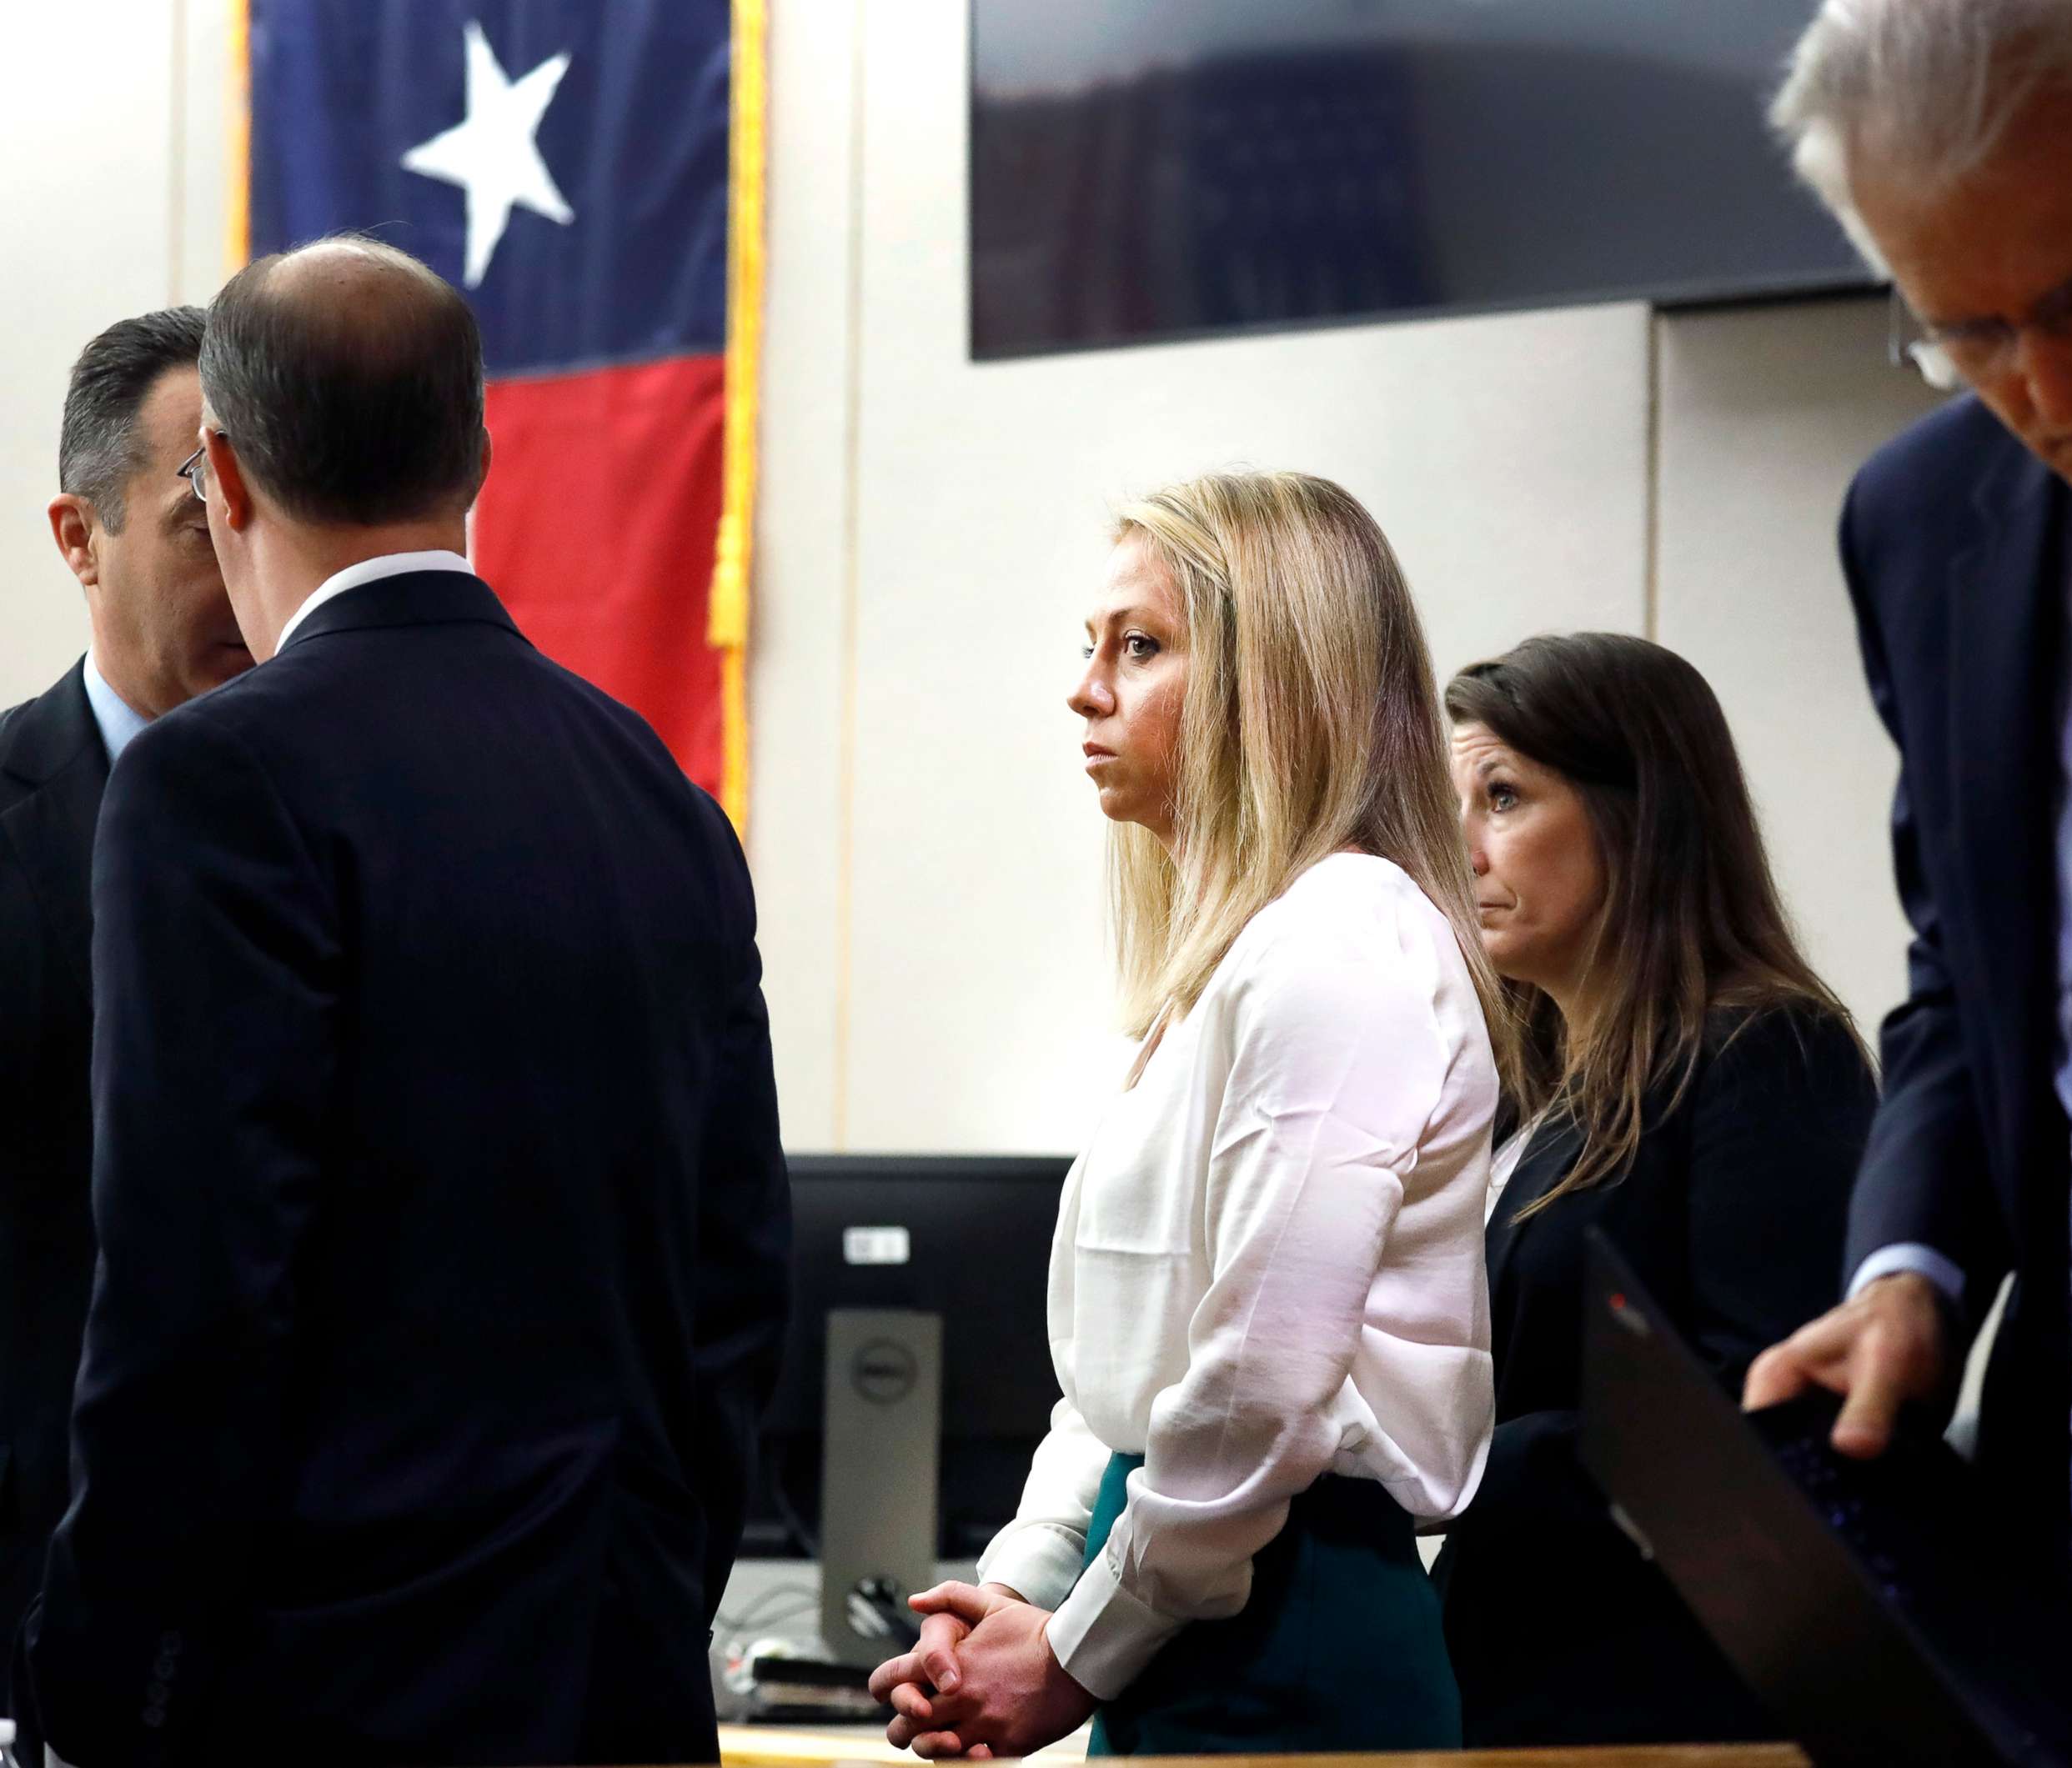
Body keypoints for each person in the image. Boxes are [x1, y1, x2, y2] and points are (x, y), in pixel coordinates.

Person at [14, 236, 791, 1767]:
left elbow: (198, 1298)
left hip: (323, 1703)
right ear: (479, 454)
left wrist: (107, 1691)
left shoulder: (212, 780)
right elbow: (737, 1283)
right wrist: (632, 1598)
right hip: (616, 1685)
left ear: (222, 479)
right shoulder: (657, 788)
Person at [869, 472, 1503, 1757]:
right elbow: (1127, 1383)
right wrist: (1019, 1592)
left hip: (1292, 1624)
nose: (1085, 689)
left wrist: (1074, 1648)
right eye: (1091, 647)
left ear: (1271, 680)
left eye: (1139, 647)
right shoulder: (1238, 960)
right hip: (1189, 1600)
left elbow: (1258, 1393)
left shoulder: (1344, 941)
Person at [1743, 2, 2072, 1742]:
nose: (2050, 393)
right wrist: (1907, 1266)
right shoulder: (1922, 522)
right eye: (1967, 328)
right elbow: (1967, 980)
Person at [1436, 632, 1877, 1748]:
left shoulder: (1770, 1052)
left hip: (1665, 1700)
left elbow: (1768, 1418)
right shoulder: (1519, 1091)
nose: (1462, 847)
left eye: (1502, 796)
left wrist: (1434, 1460)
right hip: (1504, 1674)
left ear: (1642, 818)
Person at [0, 305, 247, 1715]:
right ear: (79, 536)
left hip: (327, 1647)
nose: (256, 558)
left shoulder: (383, 831)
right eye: (204, 513)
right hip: (31, 1620)